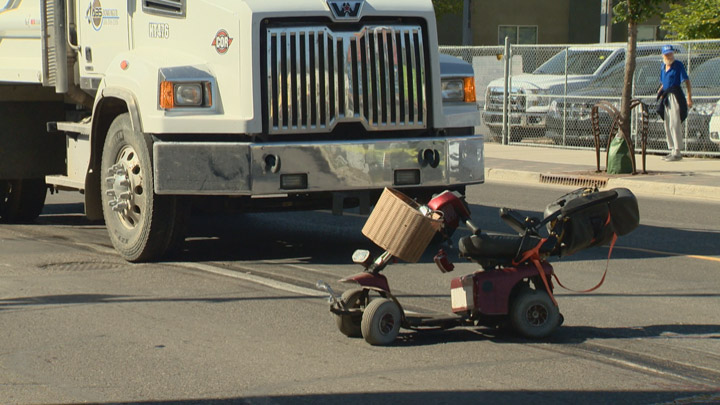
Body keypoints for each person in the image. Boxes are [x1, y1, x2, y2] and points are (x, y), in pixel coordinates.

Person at [656, 45, 693, 162]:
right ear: (663, 55)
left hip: (675, 96)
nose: (669, 56)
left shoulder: (678, 65)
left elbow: (686, 81)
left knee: (675, 122)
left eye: (671, 53)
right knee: (667, 123)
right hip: (666, 96)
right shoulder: (663, 66)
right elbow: (663, 82)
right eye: (667, 54)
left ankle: (677, 151)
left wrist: (689, 98)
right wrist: (660, 92)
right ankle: (672, 149)